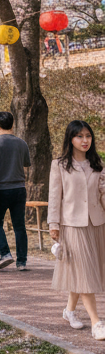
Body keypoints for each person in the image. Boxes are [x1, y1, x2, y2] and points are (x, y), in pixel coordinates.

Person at [48, 121, 105, 338]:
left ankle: (69, 310)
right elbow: (55, 197)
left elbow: (102, 196)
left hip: (97, 224)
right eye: (80, 136)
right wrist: (53, 225)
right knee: (85, 272)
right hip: (71, 225)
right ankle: (96, 322)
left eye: (88, 136)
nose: (85, 140)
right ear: (70, 139)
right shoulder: (60, 165)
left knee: (83, 270)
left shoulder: (97, 164)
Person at [0, 110, 31, 271]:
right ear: (13, 124)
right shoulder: (22, 143)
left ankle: (5, 254)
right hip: (19, 188)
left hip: (1, 189)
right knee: (20, 226)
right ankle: (22, 262)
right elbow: (26, 163)